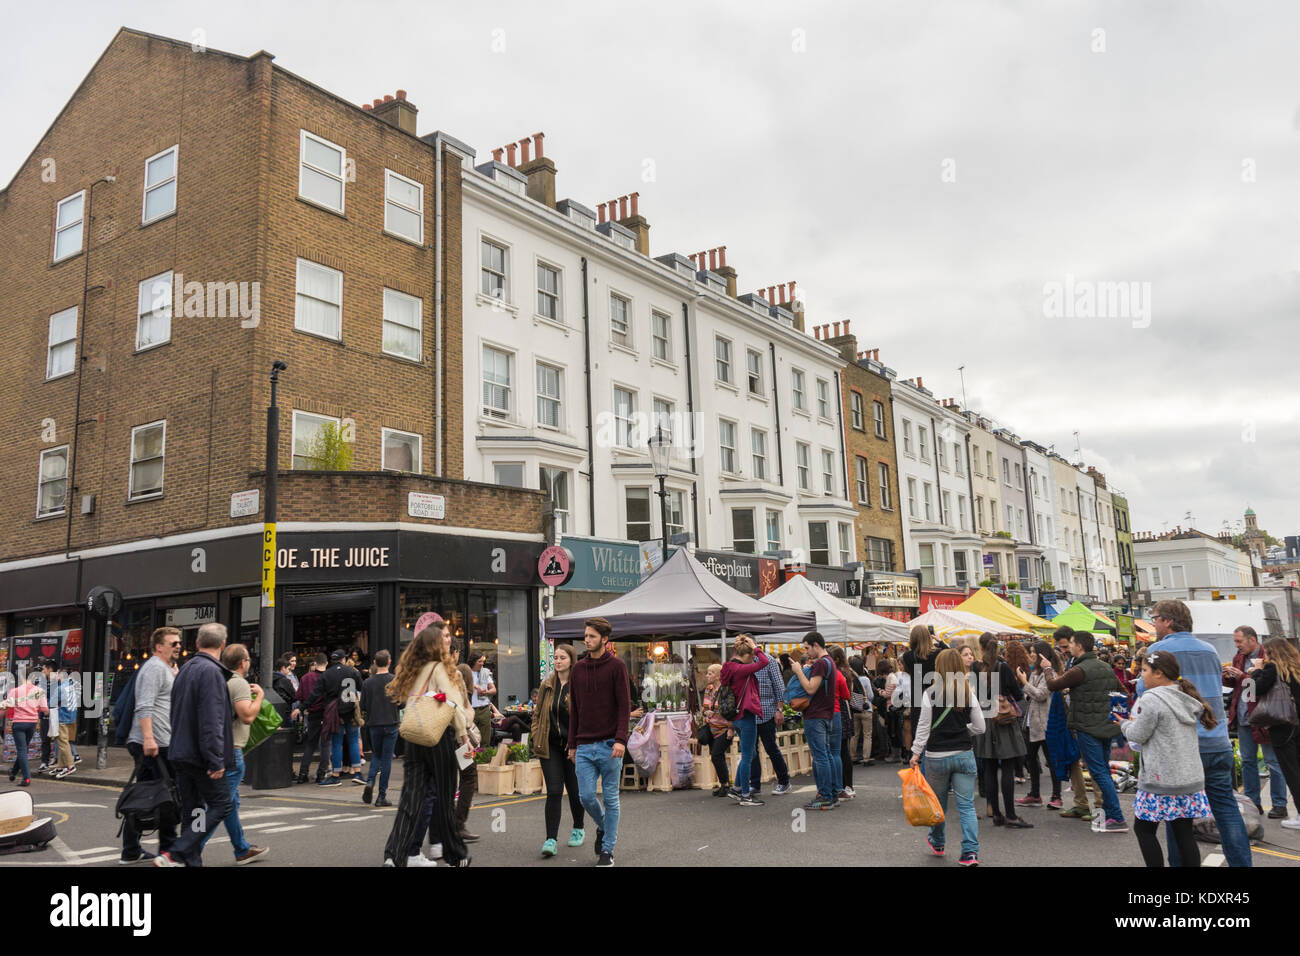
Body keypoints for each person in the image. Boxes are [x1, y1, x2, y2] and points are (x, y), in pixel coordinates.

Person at [1142, 600, 1250, 864]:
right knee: (1225, 808)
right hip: (1217, 741)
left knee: (1178, 815)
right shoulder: (1209, 651)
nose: (1153, 623)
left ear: (1167, 621)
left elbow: (1146, 693)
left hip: (1181, 747)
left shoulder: (1159, 650)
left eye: (1155, 618)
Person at [381, 623, 470, 867]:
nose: (448, 641)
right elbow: (452, 705)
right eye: (444, 638)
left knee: (410, 799)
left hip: (412, 738)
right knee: (444, 796)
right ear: (436, 645)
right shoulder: (439, 668)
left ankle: (394, 855)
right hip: (438, 738)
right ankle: (456, 853)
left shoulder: (413, 669)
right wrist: (463, 733)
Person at [1120, 649, 1215, 867]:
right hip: (1189, 778)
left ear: (1159, 673)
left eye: (1144, 670)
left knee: (1144, 830)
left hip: (1160, 780)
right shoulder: (1185, 696)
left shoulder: (1152, 699)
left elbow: (1137, 735)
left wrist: (1124, 724)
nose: (1140, 674)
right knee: (1184, 834)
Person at [154, 623, 236, 867]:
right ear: (222, 645)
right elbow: (211, 720)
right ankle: (176, 852)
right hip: (201, 755)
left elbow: (175, 713)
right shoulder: (211, 673)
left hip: (181, 751)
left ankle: (191, 861)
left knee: (194, 811)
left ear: (198, 643)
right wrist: (215, 759)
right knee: (222, 804)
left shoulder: (186, 669)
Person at [911, 647, 986, 866]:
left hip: (936, 757)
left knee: (938, 804)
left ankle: (938, 842)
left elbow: (923, 728)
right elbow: (981, 727)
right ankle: (970, 853)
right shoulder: (967, 692)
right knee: (967, 806)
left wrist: (915, 753)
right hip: (964, 754)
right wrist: (964, 731)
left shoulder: (930, 694)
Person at [198, 644, 269, 865]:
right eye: (247, 659)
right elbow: (247, 716)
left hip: (216, 749)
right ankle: (188, 849)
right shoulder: (238, 683)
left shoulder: (218, 679)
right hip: (232, 752)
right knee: (218, 806)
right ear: (242, 662)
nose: (249, 662)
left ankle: (241, 849)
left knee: (230, 804)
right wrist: (260, 696)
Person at [568, 617, 631, 867]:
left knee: (611, 798)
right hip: (583, 745)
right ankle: (605, 825)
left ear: (605, 639)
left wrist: (620, 740)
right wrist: (572, 744)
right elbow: (575, 710)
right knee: (585, 797)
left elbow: (624, 707)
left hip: (609, 745)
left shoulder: (617, 667)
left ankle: (607, 851)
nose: (587, 639)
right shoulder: (578, 669)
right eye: (586, 635)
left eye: (592, 636)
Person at [121, 627, 180, 863]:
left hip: (159, 741)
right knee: (167, 797)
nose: (178, 646)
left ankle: (131, 850)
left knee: (147, 797)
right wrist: (148, 738)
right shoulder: (154, 668)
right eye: (173, 643)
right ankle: (169, 850)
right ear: (159, 646)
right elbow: (144, 705)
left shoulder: (164, 669)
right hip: (154, 743)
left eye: (178, 642)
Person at [1224, 625, 1287, 818]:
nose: (1237, 645)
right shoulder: (1238, 657)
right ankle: (1253, 803)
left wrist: (1242, 676)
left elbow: (1259, 688)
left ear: (1252, 639)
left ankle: (1279, 803)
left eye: (1239, 641)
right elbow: (1239, 687)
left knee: (1272, 761)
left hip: (1264, 716)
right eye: (1235, 641)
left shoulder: (1267, 657)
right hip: (1244, 716)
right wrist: (1227, 678)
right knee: (1248, 761)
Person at [531, 643, 585, 856]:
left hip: (573, 747)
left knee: (574, 791)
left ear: (571, 660)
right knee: (554, 790)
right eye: (555, 657)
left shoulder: (579, 685)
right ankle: (550, 839)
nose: (558, 661)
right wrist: (537, 735)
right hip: (551, 746)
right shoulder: (547, 685)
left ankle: (578, 827)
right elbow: (537, 715)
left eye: (562, 657)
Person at [973, 634, 1031, 828]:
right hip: (1003, 720)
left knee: (989, 768)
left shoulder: (976, 668)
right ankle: (1011, 815)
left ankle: (996, 813)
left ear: (981, 649)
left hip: (983, 719)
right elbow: (1017, 693)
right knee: (1007, 766)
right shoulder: (1003, 667)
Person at [1247, 639, 1300, 830]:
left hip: (1282, 726)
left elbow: (1251, 693)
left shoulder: (1272, 670)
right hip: (1298, 725)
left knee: (1291, 772)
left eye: (1266, 653)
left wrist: (1255, 672)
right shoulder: (1296, 668)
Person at [719, 634, 772, 807]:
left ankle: (736, 788)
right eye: (751, 656)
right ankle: (745, 794)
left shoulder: (728, 666)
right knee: (748, 755)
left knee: (749, 753)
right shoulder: (742, 669)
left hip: (735, 717)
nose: (753, 659)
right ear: (747, 655)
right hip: (745, 715)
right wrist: (755, 647)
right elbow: (765, 662)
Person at [789, 632, 840, 810]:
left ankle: (825, 795)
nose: (806, 651)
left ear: (816, 645)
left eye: (807, 647)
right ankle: (832, 794)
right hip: (826, 714)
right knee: (825, 755)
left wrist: (798, 671)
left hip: (816, 715)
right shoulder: (830, 662)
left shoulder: (820, 663)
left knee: (820, 757)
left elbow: (810, 688)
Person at [1017, 641, 1063, 809]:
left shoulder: (1050, 673)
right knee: (1030, 759)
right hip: (1031, 722)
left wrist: (1024, 682)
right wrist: (1027, 685)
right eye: (1031, 651)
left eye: (1034, 651)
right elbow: (1030, 695)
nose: (1032, 654)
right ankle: (1035, 794)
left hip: (1045, 723)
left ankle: (1057, 796)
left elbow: (1041, 694)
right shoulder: (1035, 672)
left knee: (1051, 760)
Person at [307, 649, 363, 785]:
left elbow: (316, 693)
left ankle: (335, 775)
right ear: (344, 659)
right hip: (350, 710)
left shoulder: (326, 674)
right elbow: (361, 687)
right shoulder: (352, 672)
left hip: (335, 712)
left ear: (332, 660)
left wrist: (302, 707)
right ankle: (357, 773)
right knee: (353, 741)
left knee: (337, 743)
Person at [750, 642, 792, 796]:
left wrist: (779, 709)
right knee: (751, 750)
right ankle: (755, 784)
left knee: (770, 747)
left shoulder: (769, 661)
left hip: (767, 709)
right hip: (750, 712)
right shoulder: (742, 661)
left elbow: (779, 686)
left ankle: (784, 781)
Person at [359, 649, 399, 807]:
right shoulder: (394, 680)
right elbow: (401, 703)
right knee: (387, 759)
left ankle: (370, 782)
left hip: (374, 723)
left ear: (374, 663)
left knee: (376, 755)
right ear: (389, 662)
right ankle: (381, 795)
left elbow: (362, 706)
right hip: (391, 723)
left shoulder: (367, 682)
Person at [450, 640, 480, 845]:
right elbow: (460, 713)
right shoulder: (454, 677)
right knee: (469, 776)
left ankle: (449, 826)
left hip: (445, 736)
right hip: (458, 738)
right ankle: (458, 824)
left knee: (449, 780)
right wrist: (464, 738)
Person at [5, 666, 49, 787]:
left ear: (20, 676)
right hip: (32, 723)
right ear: (33, 676)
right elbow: (45, 710)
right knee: (23, 749)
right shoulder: (39, 691)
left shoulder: (14, 691)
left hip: (18, 723)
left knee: (22, 750)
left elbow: (6, 707)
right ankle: (13, 772)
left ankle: (26, 778)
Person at [901, 623, 945, 741]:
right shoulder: (938, 653)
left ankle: (920, 757)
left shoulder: (907, 656)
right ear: (928, 637)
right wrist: (939, 640)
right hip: (935, 696)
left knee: (920, 732)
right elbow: (951, 653)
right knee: (935, 730)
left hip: (918, 697)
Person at [699, 664, 735, 796]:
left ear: (719, 675)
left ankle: (726, 785)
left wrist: (731, 728)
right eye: (707, 673)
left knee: (716, 755)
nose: (707, 676)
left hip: (724, 728)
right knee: (717, 757)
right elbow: (704, 708)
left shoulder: (726, 690)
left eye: (710, 673)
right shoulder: (708, 689)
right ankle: (724, 785)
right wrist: (706, 712)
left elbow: (730, 710)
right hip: (711, 728)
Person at [293, 654, 329, 784]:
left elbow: (299, 695)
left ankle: (303, 773)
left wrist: (302, 708)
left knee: (310, 744)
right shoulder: (328, 677)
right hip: (326, 714)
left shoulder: (305, 678)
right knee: (325, 745)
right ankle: (321, 774)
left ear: (315, 662)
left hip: (312, 713)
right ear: (326, 663)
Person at [829, 645, 856, 799]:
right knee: (842, 751)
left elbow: (846, 694)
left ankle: (845, 785)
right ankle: (847, 785)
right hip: (845, 712)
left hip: (841, 711)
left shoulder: (838, 673)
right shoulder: (847, 672)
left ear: (836, 659)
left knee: (840, 751)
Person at [468, 651, 497, 752]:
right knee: (471, 738)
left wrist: (486, 692)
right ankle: (472, 762)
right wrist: (476, 688)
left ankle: (484, 762)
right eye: (479, 661)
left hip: (484, 709)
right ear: (473, 662)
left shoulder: (485, 672)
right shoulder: (467, 672)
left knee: (485, 740)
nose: (482, 663)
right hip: (471, 710)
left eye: (482, 661)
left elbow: (494, 690)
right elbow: (463, 685)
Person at [850, 656, 874, 767]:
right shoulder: (865, 679)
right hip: (866, 709)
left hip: (855, 709)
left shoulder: (850, 678)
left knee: (854, 735)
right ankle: (866, 758)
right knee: (867, 735)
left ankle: (853, 756)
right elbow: (870, 695)